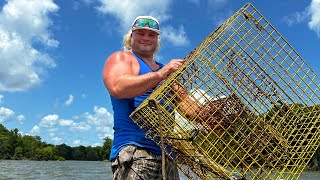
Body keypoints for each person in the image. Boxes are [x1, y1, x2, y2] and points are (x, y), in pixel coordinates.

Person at [102, 15, 193, 180]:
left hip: (167, 156)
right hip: (135, 152)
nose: (146, 38)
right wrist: (159, 75)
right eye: (141, 33)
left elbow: (190, 109)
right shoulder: (122, 58)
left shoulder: (167, 70)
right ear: (131, 37)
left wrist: (212, 114)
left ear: (157, 40)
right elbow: (117, 87)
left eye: (151, 35)